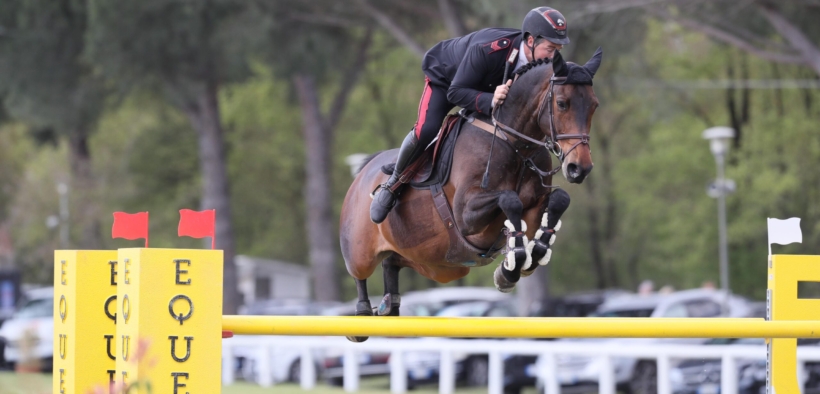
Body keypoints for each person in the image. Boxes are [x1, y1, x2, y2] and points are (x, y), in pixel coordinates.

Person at [370, 6, 570, 224]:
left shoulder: (538, 65)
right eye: (550, 49)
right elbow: (455, 93)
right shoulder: (490, 50)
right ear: (530, 41)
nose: (553, 57)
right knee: (426, 129)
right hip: (447, 80)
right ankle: (393, 184)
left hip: (485, 87)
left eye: (557, 50)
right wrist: (490, 99)